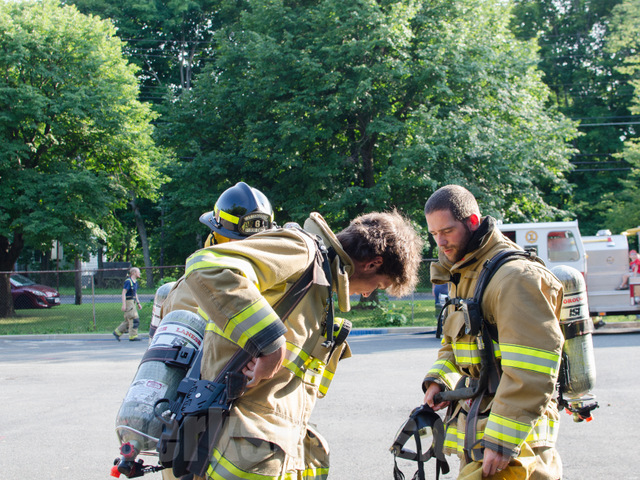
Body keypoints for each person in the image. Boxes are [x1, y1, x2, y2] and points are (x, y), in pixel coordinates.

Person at [181, 209, 423, 479]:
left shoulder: (319, 281)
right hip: (234, 447)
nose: (367, 294)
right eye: (378, 285)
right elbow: (208, 267)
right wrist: (272, 343)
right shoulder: (302, 250)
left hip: (256, 449)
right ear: (373, 264)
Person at [422, 185, 564, 480]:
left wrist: (503, 440)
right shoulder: (465, 271)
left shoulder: (515, 278)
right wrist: (439, 381)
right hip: (481, 429)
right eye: (434, 234)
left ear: (473, 221)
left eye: (447, 231)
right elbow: (456, 344)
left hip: (517, 441)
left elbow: (532, 370)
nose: (441, 242)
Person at [113, 267, 143, 342]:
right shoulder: (128, 281)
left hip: (133, 301)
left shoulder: (135, 282)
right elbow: (123, 293)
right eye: (138, 272)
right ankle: (133, 336)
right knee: (134, 319)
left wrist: (138, 303)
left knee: (129, 320)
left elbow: (135, 293)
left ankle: (117, 332)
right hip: (129, 302)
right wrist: (124, 305)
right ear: (134, 273)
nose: (139, 273)